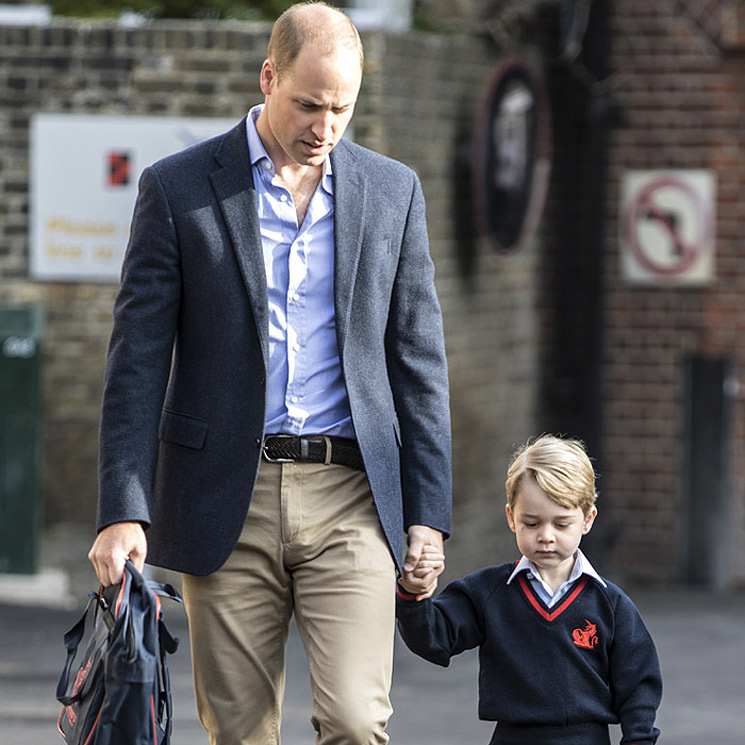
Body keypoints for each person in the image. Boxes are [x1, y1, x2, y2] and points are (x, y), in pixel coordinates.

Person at [87, 3, 452, 744]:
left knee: (355, 720)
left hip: (351, 496)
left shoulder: (392, 192)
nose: (324, 126)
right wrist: (122, 507)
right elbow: (137, 363)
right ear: (268, 77)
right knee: (241, 732)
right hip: (227, 493)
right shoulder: (180, 188)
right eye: (308, 103)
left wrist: (428, 515)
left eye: (341, 108)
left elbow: (419, 361)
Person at [396, 434, 662, 745]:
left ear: (587, 519)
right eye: (532, 523)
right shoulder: (488, 593)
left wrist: (638, 739)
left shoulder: (610, 605)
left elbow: (638, 683)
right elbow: (434, 639)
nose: (546, 536)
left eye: (561, 524)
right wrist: (414, 594)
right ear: (511, 518)